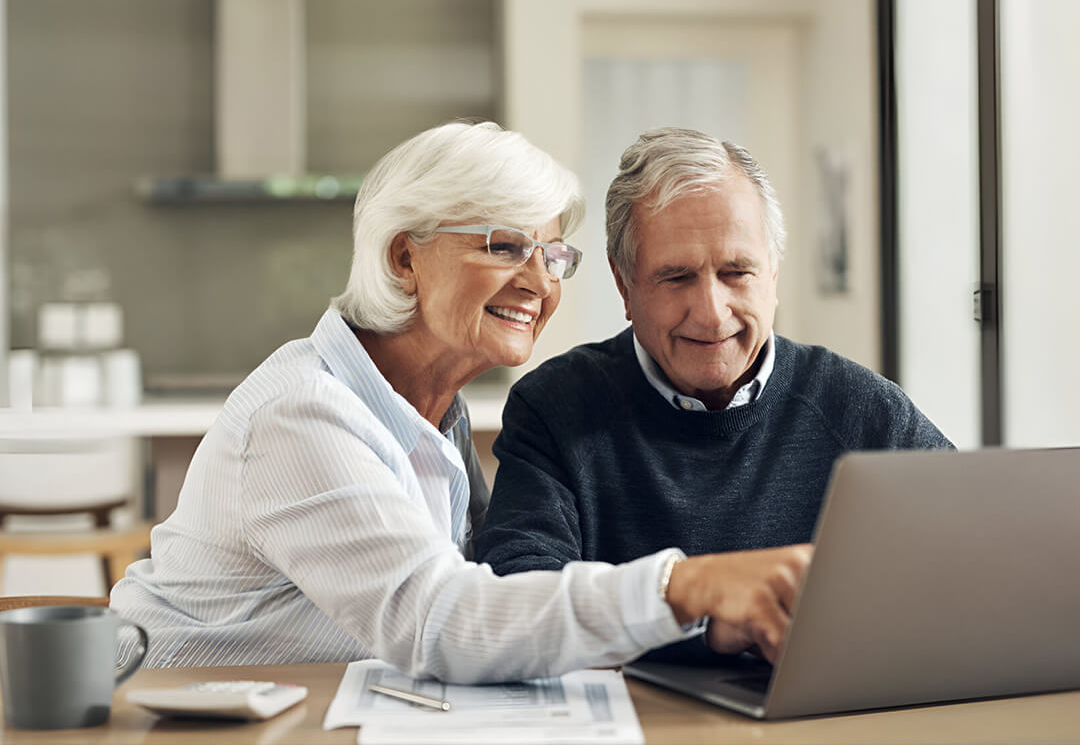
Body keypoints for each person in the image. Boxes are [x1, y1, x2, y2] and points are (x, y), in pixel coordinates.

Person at [111, 121, 812, 682]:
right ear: (403, 259)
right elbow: (442, 622)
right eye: (504, 246)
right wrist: (684, 586)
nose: (539, 281)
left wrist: (707, 624)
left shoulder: (433, 413)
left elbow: (500, 605)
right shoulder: (300, 414)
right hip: (162, 722)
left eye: (552, 254)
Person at [474, 127, 953, 664]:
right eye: (676, 277)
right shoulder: (554, 407)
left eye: (736, 272)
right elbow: (514, 599)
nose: (711, 312)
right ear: (624, 285)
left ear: (773, 273)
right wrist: (700, 623)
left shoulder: (863, 408)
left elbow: (972, 552)